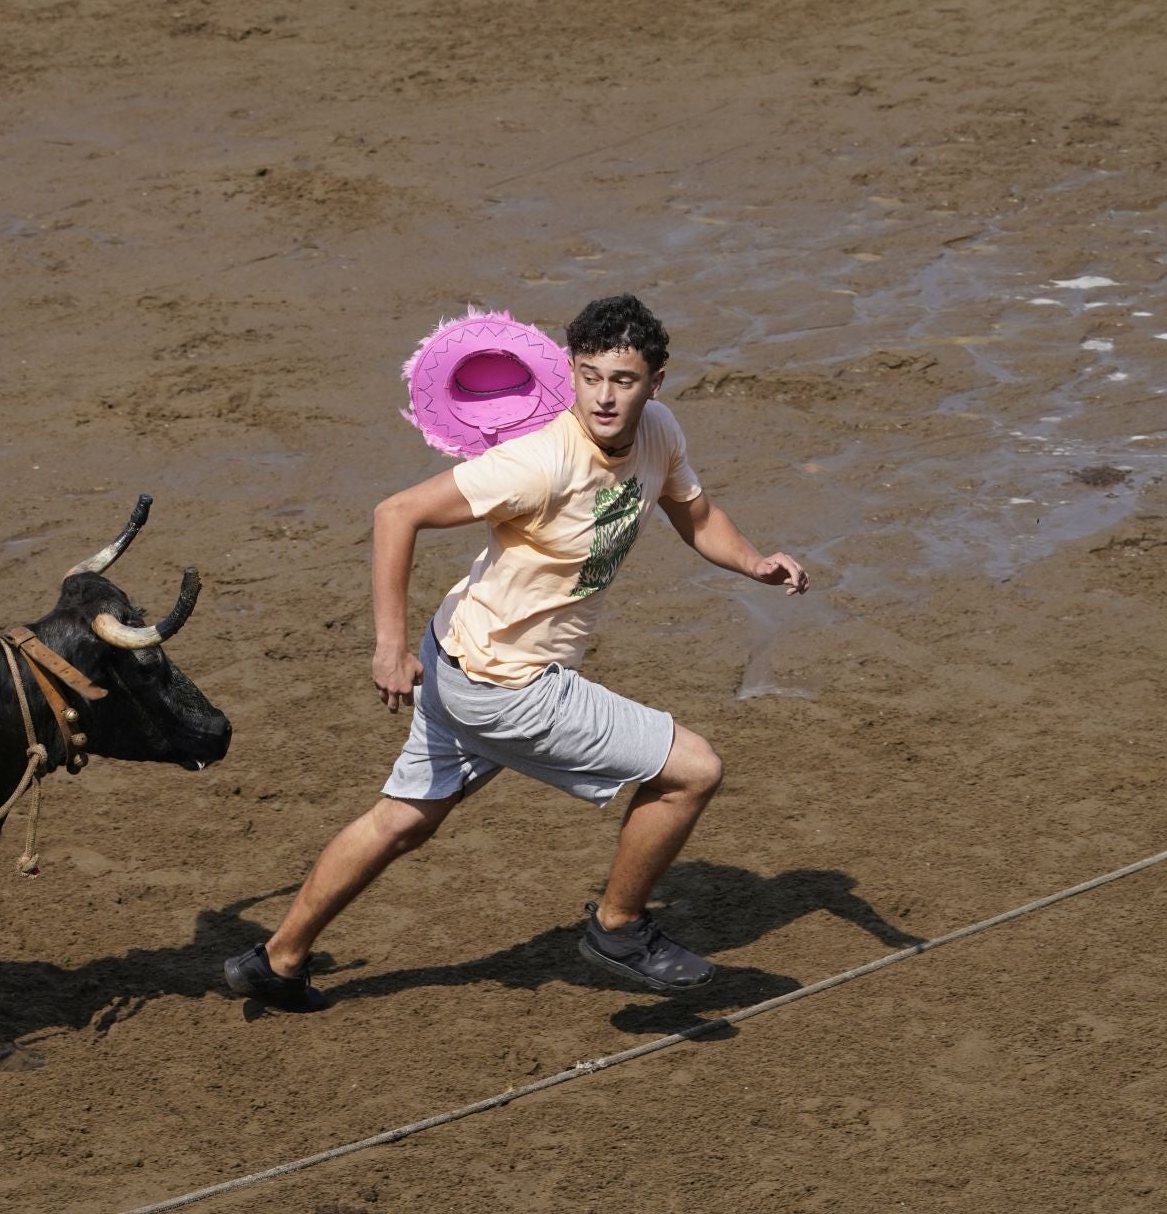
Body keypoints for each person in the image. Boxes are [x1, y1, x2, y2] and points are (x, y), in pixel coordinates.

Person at [225, 294, 808, 1012]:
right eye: (589, 375)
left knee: (401, 820)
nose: (603, 395)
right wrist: (386, 647)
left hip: (462, 656)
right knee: (693, 770)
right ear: (570, 371)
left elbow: (695, 512)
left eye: (622, 380)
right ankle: (617, 928)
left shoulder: (659, 431)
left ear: (655, 382)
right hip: (507, 684)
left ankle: (276, 961)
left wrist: (754, 563)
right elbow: (395, 513)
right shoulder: (535, 463)